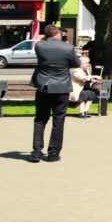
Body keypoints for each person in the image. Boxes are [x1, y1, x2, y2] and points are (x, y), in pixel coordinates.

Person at [30, 24, 80, 163]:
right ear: (58, 34)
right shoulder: (68, 47)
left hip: (44, 87)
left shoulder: (39, 46)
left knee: (40, 119)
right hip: (61, 88)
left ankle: (36, 152)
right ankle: (53, 153)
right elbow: (76, 63)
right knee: (58, 120)